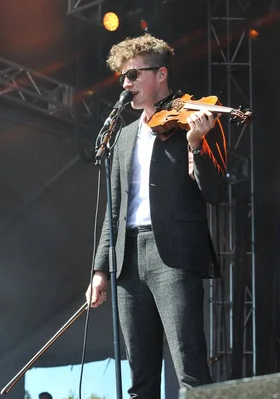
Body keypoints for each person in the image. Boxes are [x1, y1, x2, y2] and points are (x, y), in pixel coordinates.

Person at [85, 33, 227, 398]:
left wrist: (197, 145)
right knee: (140, 377)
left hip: (173, 255)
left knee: (189, 368)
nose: (126, 84)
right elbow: (113, 209)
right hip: (128, 258)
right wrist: (101, 269)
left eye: (133, 75)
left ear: (161, 74)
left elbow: (216, 192)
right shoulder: (124, 135)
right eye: (123, 78)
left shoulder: (194, 120)